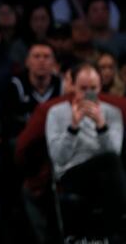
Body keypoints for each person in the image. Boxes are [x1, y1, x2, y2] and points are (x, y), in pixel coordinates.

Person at [45, 63, 126, 238]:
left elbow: (115, 152)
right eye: (83, 88)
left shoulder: (112, 113)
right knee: (111, 166)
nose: (88, 93)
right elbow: (58, 158)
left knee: (112, 164)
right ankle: (116, 232)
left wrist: (101, 125)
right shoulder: (56, 112)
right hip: (71, 173)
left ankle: (107, 235)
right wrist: (73, 128)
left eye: (93, 88)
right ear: (72, 85)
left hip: (106, 174)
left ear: (101, 87)